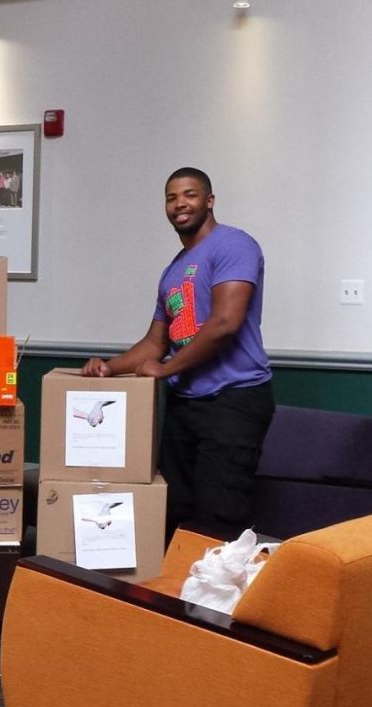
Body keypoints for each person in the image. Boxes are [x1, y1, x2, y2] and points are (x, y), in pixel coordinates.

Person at [82, 167, 273, 540]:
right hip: (186, 404)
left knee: (220, 513)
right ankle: (178, 596)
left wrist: (167, 369)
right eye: (171, 198)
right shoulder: (172, 272)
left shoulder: (234, 245)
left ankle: (222, 599)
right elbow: (155, 343)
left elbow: (224, 323)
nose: (180, 204)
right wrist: (108, 367)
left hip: (235, 399)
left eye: (189, 194)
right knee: (176, 511)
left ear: (209, 201)